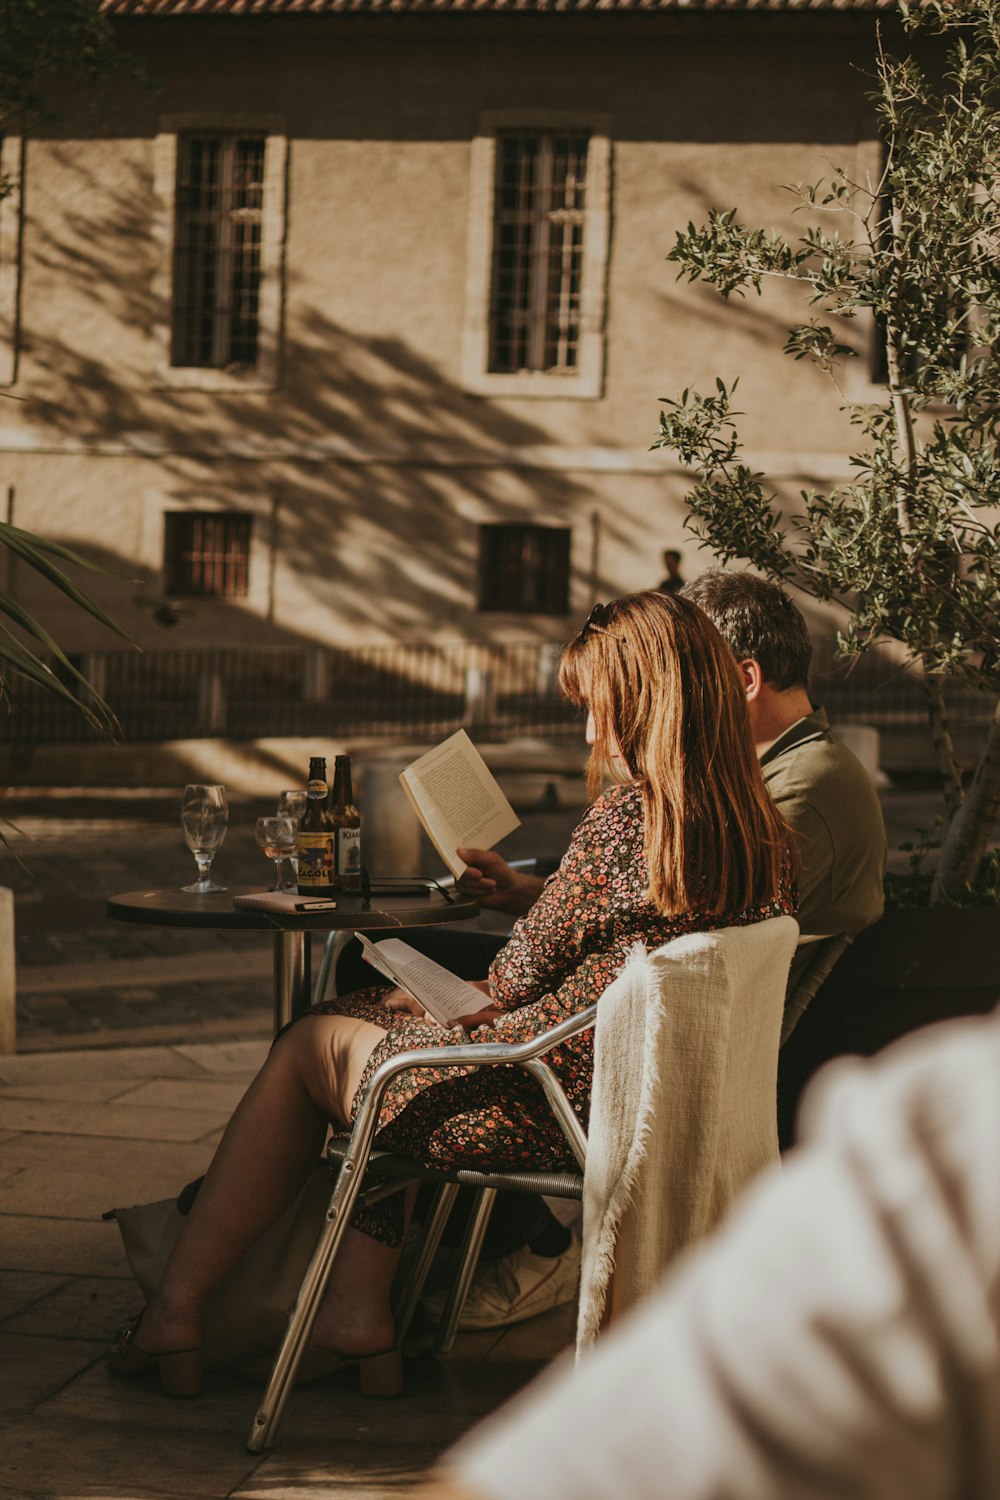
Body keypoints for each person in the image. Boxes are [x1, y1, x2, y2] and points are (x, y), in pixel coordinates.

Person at [107, 590, 795, 1398]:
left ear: (650, 705)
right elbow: (579, 969)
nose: (589, 734)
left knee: (308, 1045)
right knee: (365, 1025)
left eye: (600, 710)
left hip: (535, 1095)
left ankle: (177, 1315)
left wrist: (441, 999)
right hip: (614, 1086)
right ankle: (356, 1313)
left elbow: (508, 983)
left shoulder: (626, 823)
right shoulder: (755, 831)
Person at [428, 1003, 1000, 1500]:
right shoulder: (763, 892)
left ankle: (370, 1301)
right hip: (586, 1063)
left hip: (562, 1080)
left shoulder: (958, 1147)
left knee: (374, 1062)